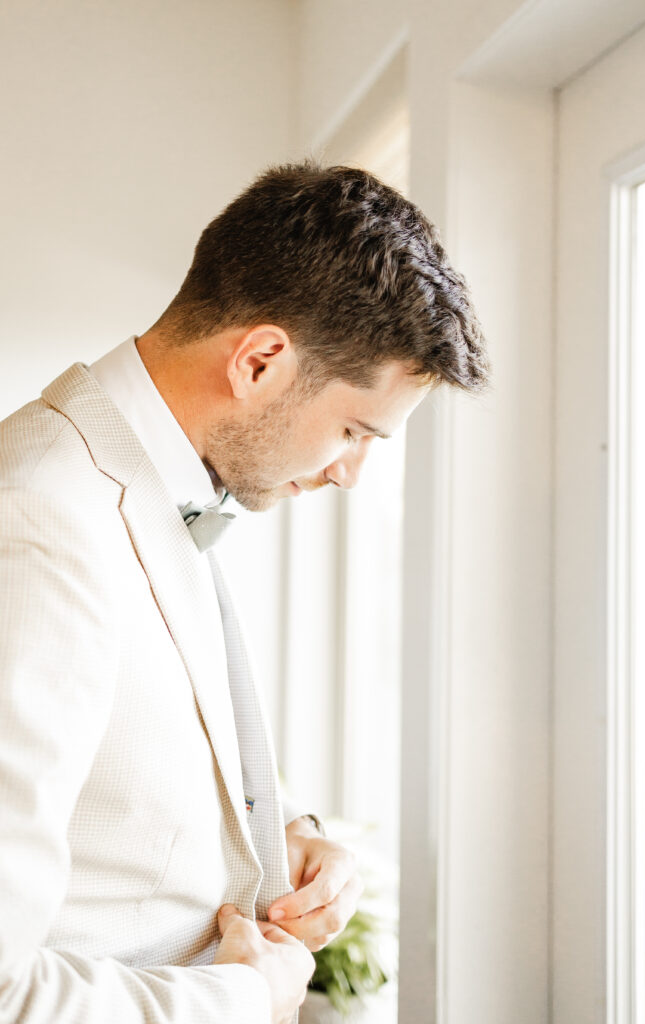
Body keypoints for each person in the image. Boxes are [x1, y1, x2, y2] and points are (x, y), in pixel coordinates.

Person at [0, 162, 489, 1024]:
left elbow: (127, 759)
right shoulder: (42, 519)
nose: (348, 473)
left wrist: (284, 833)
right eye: (352, 430)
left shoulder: (145, 482)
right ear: (261, 359)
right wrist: (241, 998)